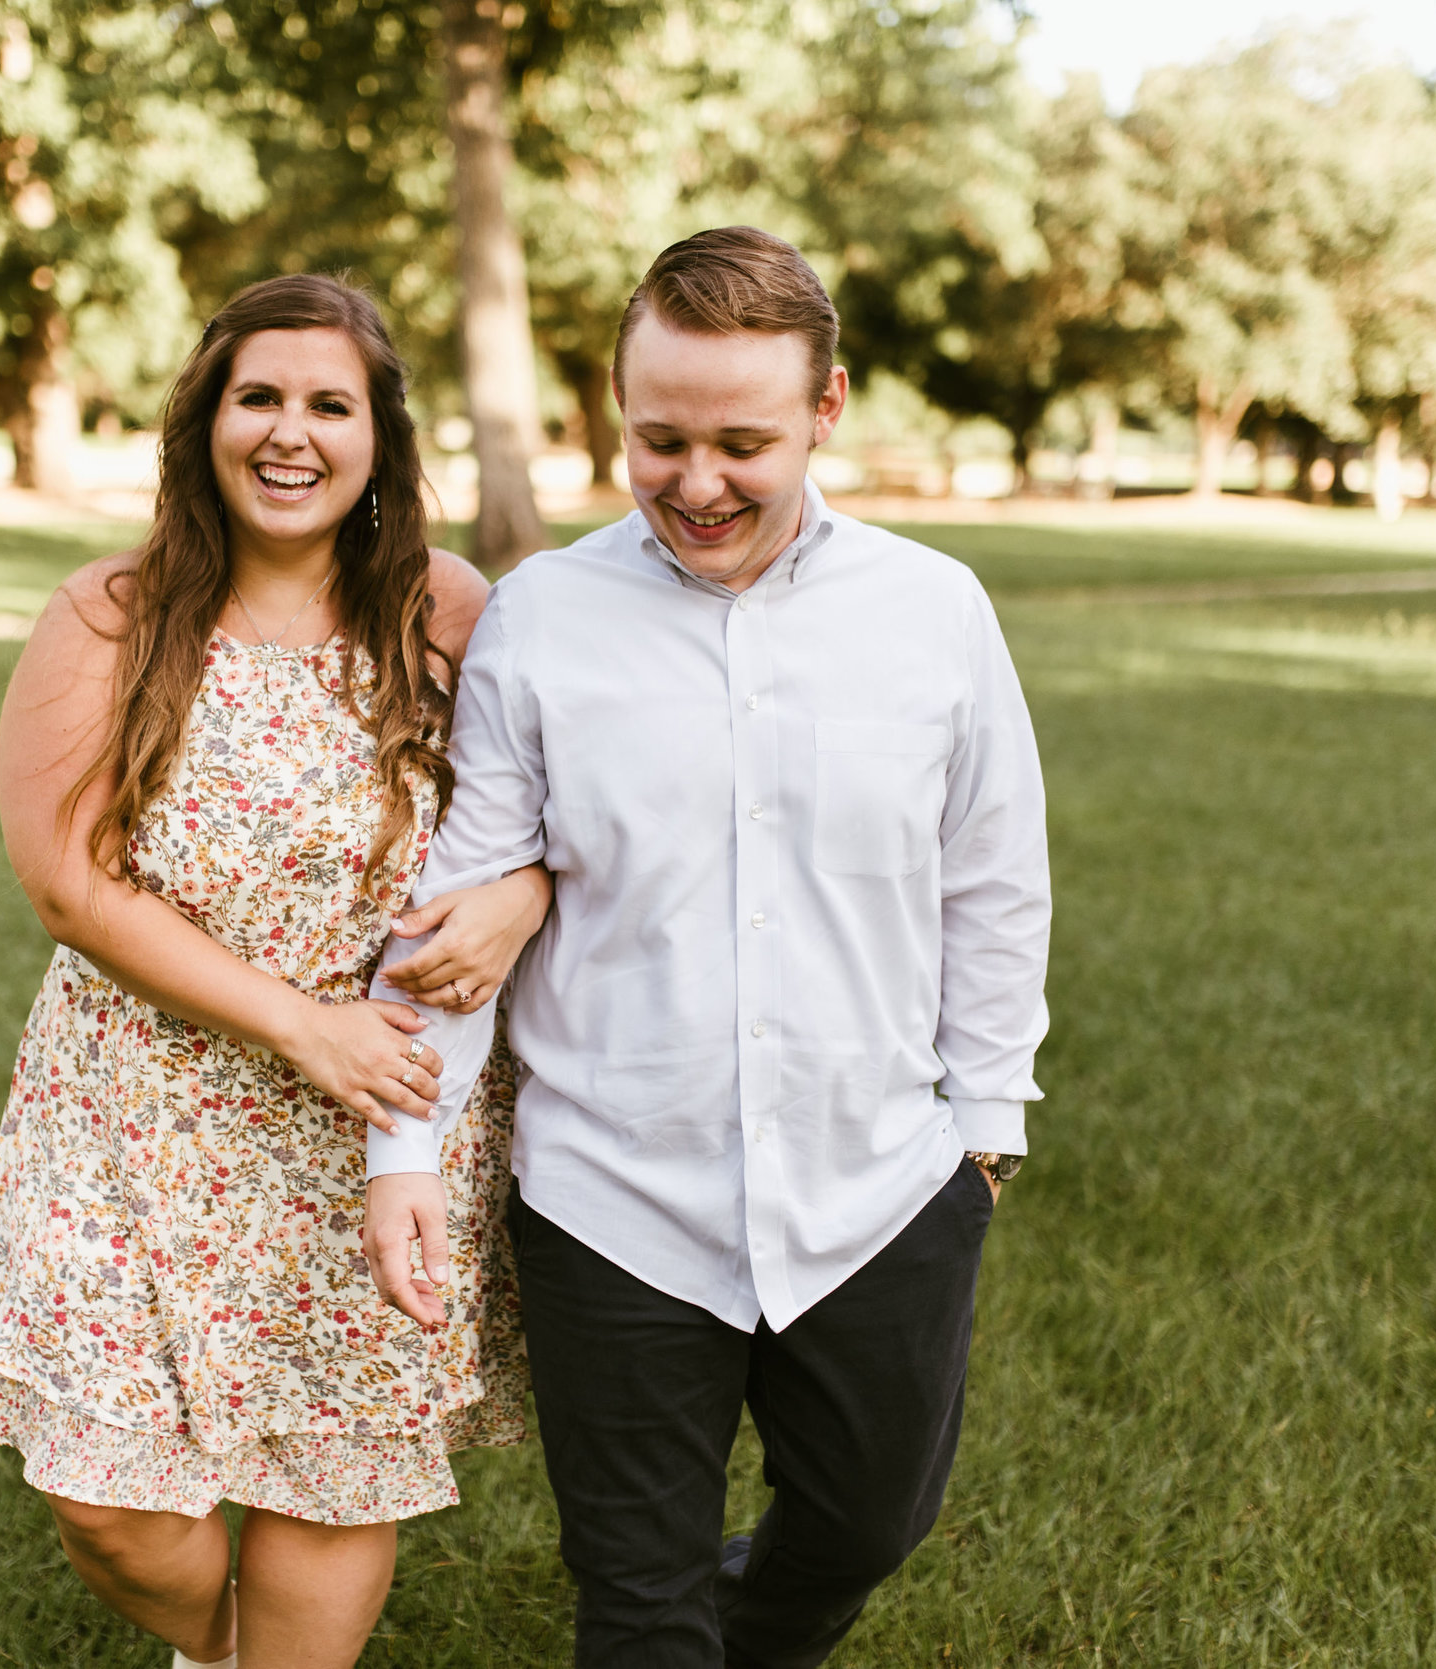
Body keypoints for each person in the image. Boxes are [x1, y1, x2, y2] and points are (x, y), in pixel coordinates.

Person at [364, 227, 1052, 1668]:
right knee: (636, 1597)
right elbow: (463, 908)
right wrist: (407, 1149)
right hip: (612, 1196)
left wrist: (984, 1134)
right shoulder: (544, 617)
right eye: (658, 438)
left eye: (742, 440)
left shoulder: (936, 613)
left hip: (882, 1187)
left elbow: (992, 884)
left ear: (828, 408)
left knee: (868, 1524)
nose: (696, 482)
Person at [0, 273, 546, 1669]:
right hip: (136, 1097)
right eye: (258, 395)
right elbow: (66, 876)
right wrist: (293, 1024)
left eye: (330, 403)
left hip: (379, 1110)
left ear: (379, 437)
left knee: (330, 1470)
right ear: (204, 419)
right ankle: (218, 1648)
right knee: (110, 1504)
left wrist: (522, 891)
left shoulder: (449, 611)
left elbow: (578, 806)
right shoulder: (113, 611)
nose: (291, 432)